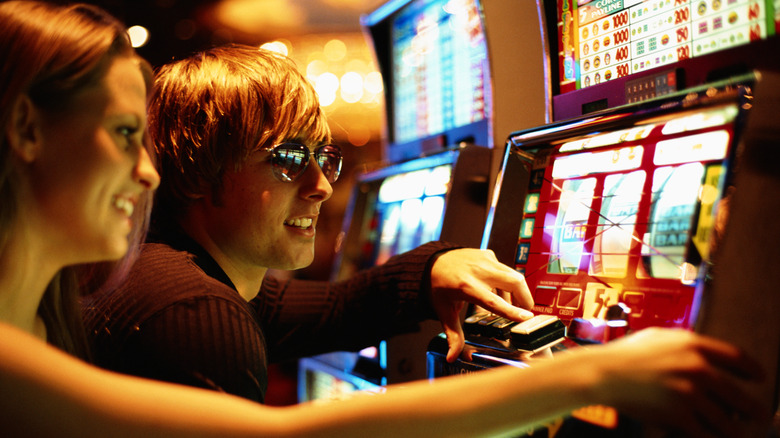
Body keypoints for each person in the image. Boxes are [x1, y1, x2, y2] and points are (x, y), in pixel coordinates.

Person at [0, 3, 769, 437]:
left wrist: (434, 267)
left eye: (322, 159)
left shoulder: (143, 284)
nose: (145, 170)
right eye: (287, 159)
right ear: (27, 131)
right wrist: (591, 370)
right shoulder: (186, 305)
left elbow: (320, 308)